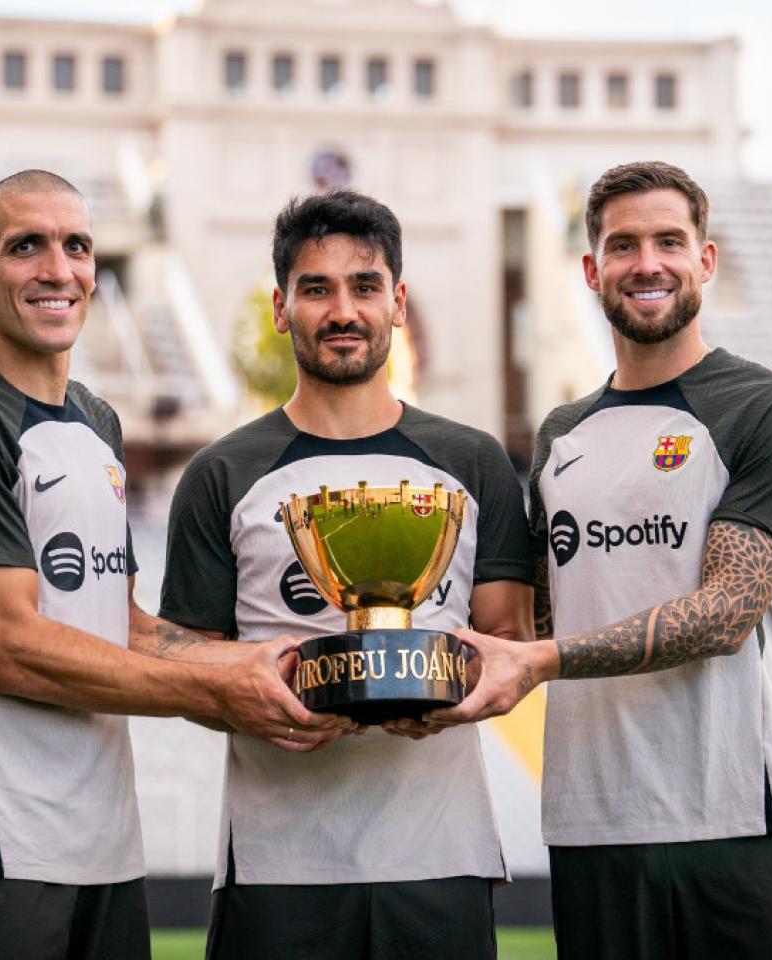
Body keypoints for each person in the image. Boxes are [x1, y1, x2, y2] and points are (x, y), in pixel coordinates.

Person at [0, 169, 347, 960]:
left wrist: (279, 664)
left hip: (103, 846)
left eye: (77, 247)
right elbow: (9, 646)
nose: (57, 269)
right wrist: (219, 686)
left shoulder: (96, 419)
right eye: (25, 246)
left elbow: (120, 624)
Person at [433, 161, 772, 959]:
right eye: (623, 245)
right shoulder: (559, 436)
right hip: (591, 826)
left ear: (705, 261)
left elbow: (726, 614)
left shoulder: (768, 408)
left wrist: (540, 659)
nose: (646, 263)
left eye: (668, 242)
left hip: (737, 820)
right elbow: (539, 612)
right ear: (592, 270)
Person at [157, 190, 533, 960]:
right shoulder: (221, 473)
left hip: (441, 856)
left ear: (397, 303)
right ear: (279, 307)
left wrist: (447, 690)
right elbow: (183, 661)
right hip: (276, 863)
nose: (342, 310)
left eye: (364, 286)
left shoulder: (474, 462)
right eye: (316, 288)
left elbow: (508, 639)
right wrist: (254, 694)